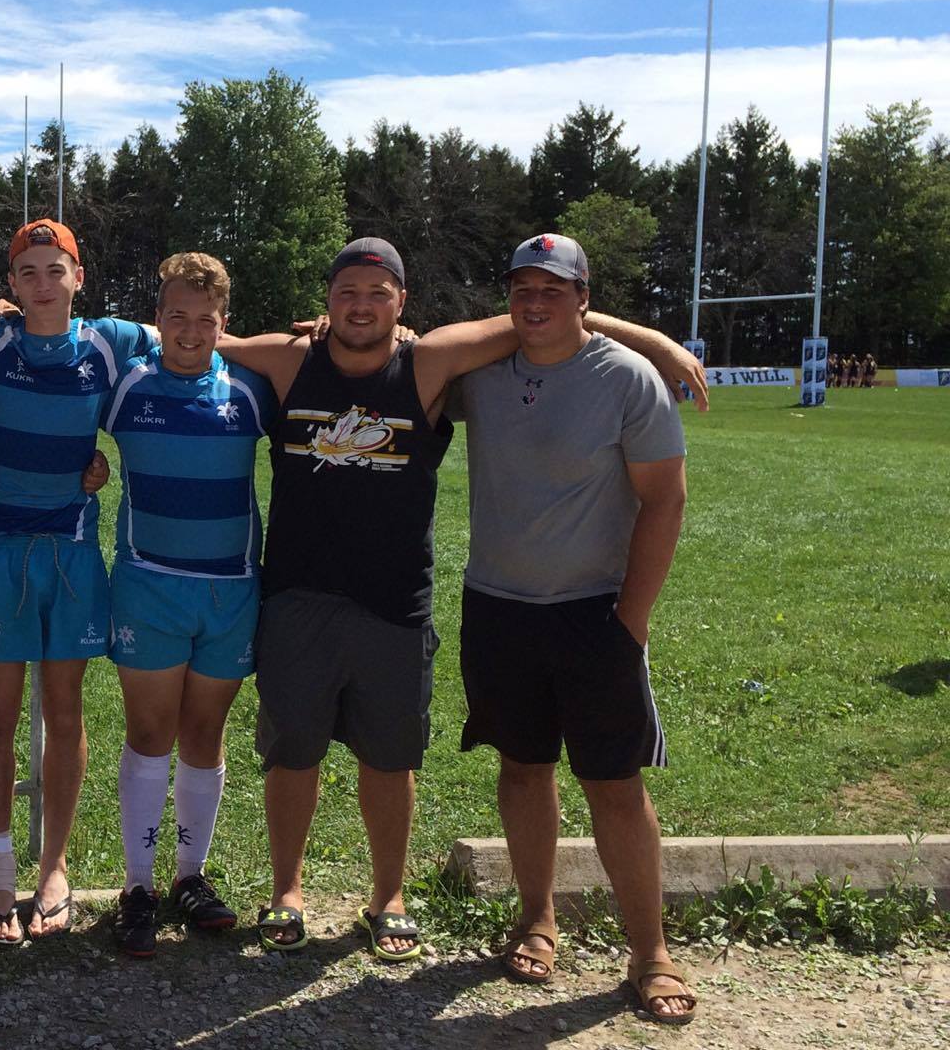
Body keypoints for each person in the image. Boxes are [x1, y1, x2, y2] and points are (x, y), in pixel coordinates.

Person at [215, 239, 707, 959]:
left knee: (399, 760)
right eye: (347, 291)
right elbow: (201, 335)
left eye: (378, 293)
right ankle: (291, 890)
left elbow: (547, 325)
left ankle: (393, 896)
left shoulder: (430, 362)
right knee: (299, 752)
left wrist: (656, 339)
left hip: (411, 603)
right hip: (312, 597)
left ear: (402, 303)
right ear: (327, 300)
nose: (361, 305)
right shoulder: (298, 361)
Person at [456, 231, 695, 1023]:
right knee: (522, 770)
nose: (534, 301)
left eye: (552, 289)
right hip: (498, 606)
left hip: (595, 612)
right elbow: (398, 350)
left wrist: (631, 620)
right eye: (522, 287)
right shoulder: (483, 374)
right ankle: (537, 917)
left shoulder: (627, 380)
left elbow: (666, 500)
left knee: (615, 786)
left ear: (584, 297)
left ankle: (650, 954)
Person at [0, 220, 142, 943]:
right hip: (1, 552)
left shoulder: (111, 342)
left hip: (71, 555)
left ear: (79, 277)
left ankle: (54, 866)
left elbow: (199, 330)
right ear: (10, 284)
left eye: (54, 270)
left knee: (65, 713)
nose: (41, 284)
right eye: (27, 272)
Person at [103, 252, 273, 958]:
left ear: (223, 323)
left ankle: (190, 876)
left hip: (231, 589)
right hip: (149, 584)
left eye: (206, 319)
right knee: (151, 733)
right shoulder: (126, 383)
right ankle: (137, 885)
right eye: (177, 316)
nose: (191, 330)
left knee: (205, 733)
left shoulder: (251, 389)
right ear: (159, 317)